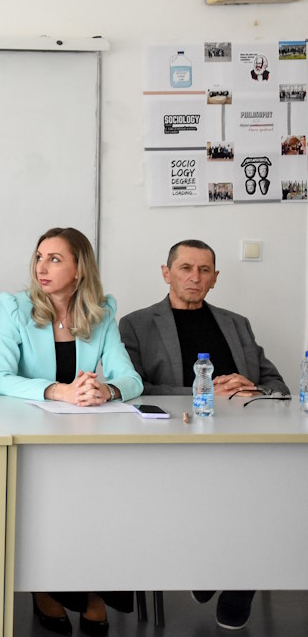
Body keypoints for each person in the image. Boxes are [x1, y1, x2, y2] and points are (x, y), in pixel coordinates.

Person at [119, 239, 288, 630]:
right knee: (229, 498)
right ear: (166, 273)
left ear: (215, 278)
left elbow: (276, 384)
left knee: (269, 492)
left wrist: (251, 388)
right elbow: (135, 389)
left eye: (204, 270)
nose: (195, 277)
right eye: (185, 268)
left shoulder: (237, 323)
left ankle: (236, 583)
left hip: (244, 442)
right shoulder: (136, 324)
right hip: (175, 443)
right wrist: (205, 392)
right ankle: (211, 564)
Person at [0, 226, 142, 637]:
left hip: (83, 435)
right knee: (48, 498)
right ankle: (45, 586)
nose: (42, 267)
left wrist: (106, 390)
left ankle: (91, 585)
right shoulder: (16, 307)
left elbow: (131, 379)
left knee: (103, 496)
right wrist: (58, 390)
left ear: (79, 269)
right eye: (39, 257)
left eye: (54, 259)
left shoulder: (102, 311)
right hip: (28, 435)